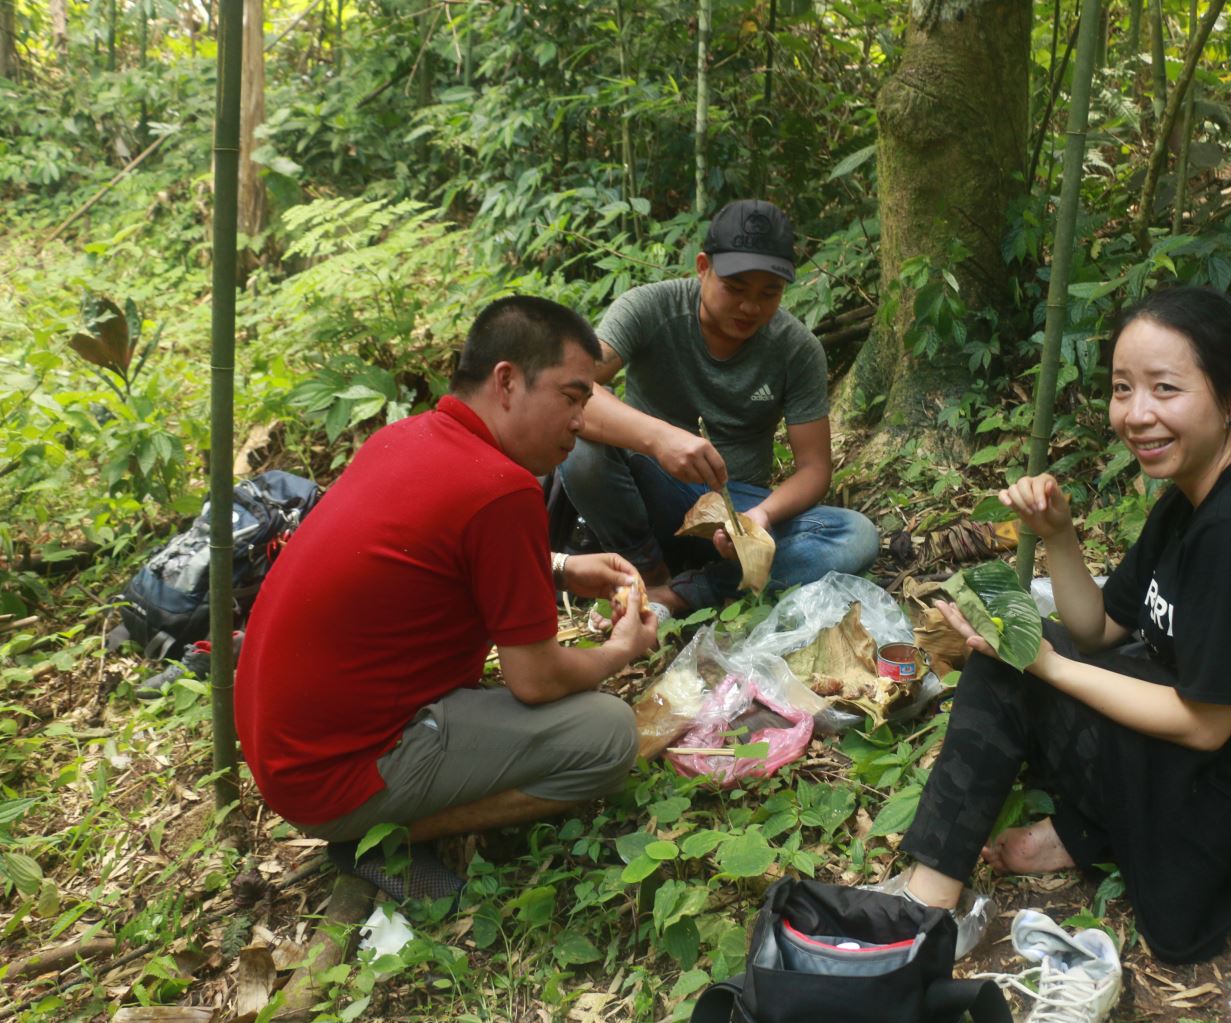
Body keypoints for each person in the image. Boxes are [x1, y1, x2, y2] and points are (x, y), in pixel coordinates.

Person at [889, 286, 1231, 972]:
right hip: (1197, 761)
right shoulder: (1192, 496)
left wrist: (1044, 664)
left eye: (1165, 388)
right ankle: (1055, 841)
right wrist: (1058, 536)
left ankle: (922, 911)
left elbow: (1206, 723)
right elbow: (1099, 628)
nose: (1137, 414)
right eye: (1123, 388)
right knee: (1020, 650)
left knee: (1016, 665)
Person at [236, 295, 661, 900]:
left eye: (587, 402)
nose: (579, 420)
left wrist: (561, 568)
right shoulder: (503, 488)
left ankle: (382, 812)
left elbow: (430, 558)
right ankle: (383, 837)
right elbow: (535, 679)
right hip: (338, 775)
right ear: (507, 381)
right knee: (608, 736)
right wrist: (623, 648)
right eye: (571, 397)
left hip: (287, 755)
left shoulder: (406, 437)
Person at [557, 198, 879, 615]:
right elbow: (571, 386)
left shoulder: (796, 349)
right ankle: (645, 576)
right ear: (703, 267)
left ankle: (684, 593)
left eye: (770, 293)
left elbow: (815, 468)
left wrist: (760, 517)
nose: (751, 307)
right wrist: (659, 438)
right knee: (581, 445)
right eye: (736, 288)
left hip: (734, 513)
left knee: (855, 536)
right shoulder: (650, 309)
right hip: (646, 491)